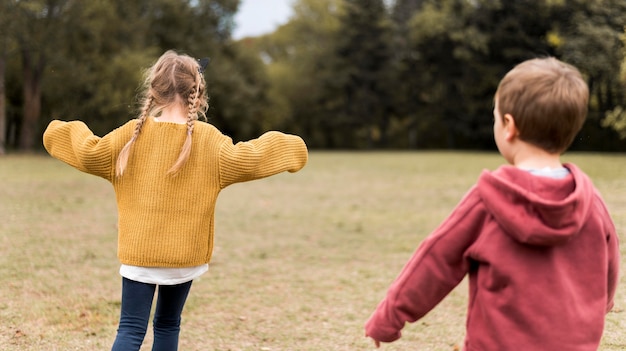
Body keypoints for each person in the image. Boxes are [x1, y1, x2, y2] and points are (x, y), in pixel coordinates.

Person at [43, 50, 308, 351]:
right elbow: (249, 158)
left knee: (130, 329)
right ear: (197, 92)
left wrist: (56, 131)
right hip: (184, 258)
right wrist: (293, 147)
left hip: (139, 255)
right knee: (168, 324)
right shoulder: (210, 141)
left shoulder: (131, 136)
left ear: (154, 91)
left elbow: (89, 152)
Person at [364, 57, 620, 350]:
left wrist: (388, 317)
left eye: (495, 115)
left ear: (508, 126)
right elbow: (609, 262)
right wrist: (606, 301)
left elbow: (435, 261)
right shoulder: (590, 201)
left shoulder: (487, 200)